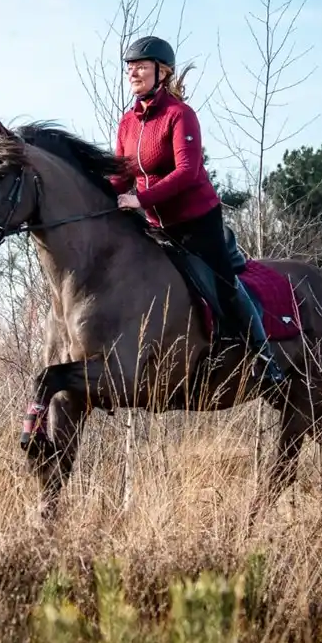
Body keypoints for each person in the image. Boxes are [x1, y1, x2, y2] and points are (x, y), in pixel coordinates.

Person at [108, 35, 287, 391]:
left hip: (198, 222)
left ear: (163, 72)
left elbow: (187, 172)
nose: (133, 72)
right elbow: (121, 175)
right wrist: (100, 196)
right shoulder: (128, 122)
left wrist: (140, 200)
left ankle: (265, 358)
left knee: (222, 284)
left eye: (141, 66)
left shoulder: (180, 114)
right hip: (158, 225)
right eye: (130, 67)